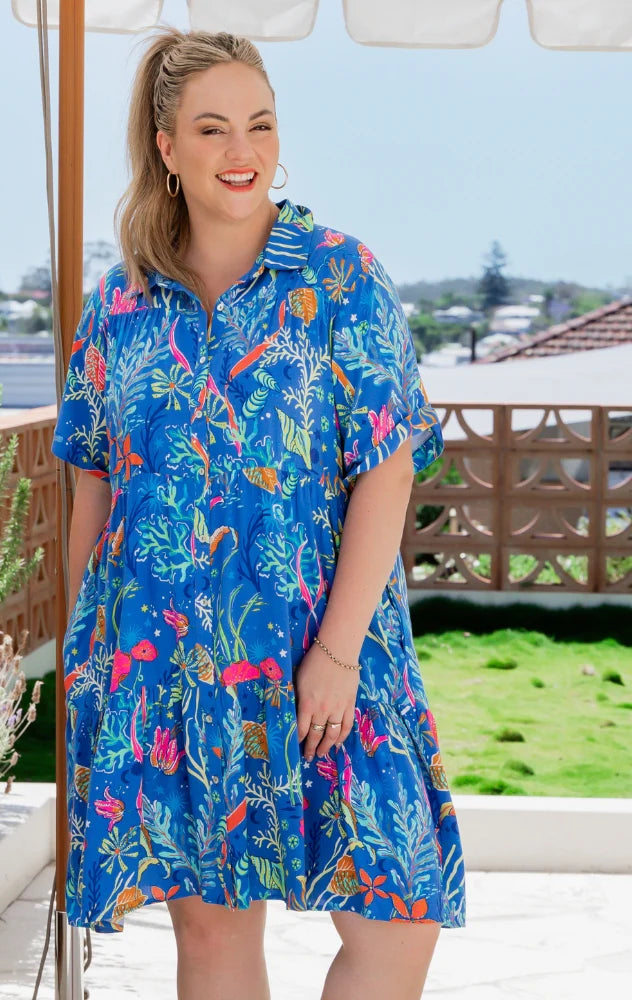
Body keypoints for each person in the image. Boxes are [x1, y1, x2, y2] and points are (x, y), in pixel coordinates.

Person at [51, 25, 467, 1000]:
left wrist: (337, 654)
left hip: (331, 650)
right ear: (166, 147)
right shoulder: (120, 306)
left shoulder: (340, 277)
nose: (242, 151)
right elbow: (93, 489)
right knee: (213, 936)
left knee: (397, 919)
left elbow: (388, 470)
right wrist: (86, 660)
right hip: (167, 663)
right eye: (213, 128)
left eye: (260, 124)